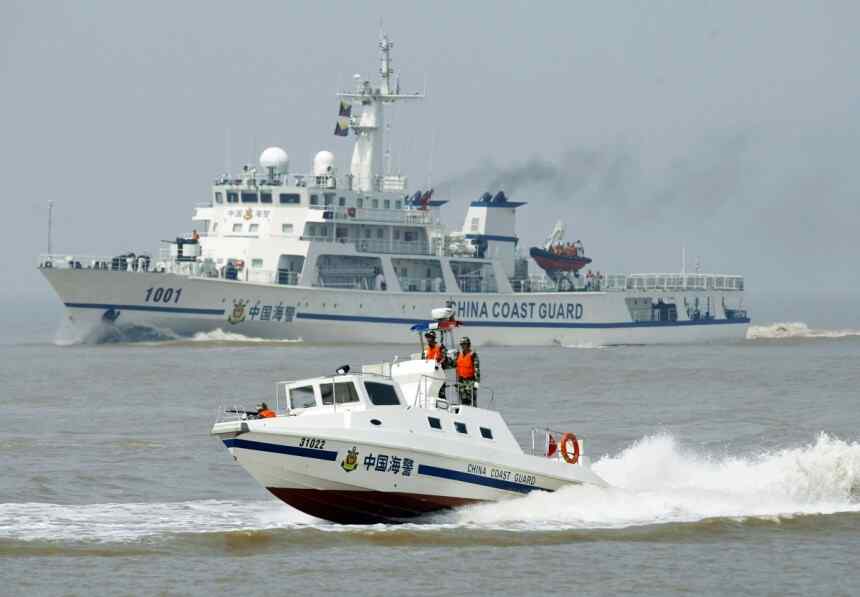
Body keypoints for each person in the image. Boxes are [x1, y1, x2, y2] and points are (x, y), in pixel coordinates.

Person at [454, 336, 480, 406]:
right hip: (461, 381)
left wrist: (477, 382)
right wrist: (457, 381)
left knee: (471, 401)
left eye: (464, 344)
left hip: (470, 381)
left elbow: (477, 369)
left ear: (468, 345)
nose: (463, 346)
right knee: (462, 400)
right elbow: (456, 368)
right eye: (461, 344)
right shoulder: (458, 355)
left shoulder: (473, 355)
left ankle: (474, 413)